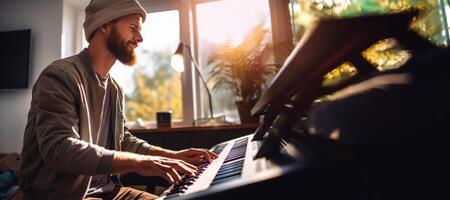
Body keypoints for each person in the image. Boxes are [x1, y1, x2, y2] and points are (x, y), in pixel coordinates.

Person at [19, 0, 218, 199]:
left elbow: (122, 141)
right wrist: (139, 163)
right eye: (133, 28)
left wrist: (170, 155)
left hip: (109, 191)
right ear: (104, 25)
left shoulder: (114, 88)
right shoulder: (59, 76)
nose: (140, 38)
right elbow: (60, 149)